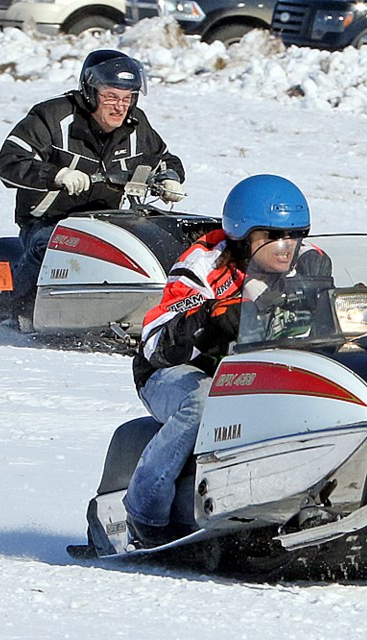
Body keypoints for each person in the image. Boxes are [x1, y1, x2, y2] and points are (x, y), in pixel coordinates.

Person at [123, 174, 330, 547]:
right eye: (272, 236)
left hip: (253, 371)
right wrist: (207, 323)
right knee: (203, 403)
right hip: (176, 373)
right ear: (243, 235)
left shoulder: (312, 261)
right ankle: (145, 514)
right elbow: (154, 343)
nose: (286, 247)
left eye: (294, 234)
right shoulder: (202, 266)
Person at [0, 49, 186, 323]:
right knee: (45, 245)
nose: (119, 106)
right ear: (90, 91)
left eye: (128, 97)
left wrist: (169, 178)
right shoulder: (52, 117)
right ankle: (8, 315)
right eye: (110, 96)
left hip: (105, 221)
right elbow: (10, 161)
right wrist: (56, 175)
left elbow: (164, 158)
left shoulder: (135, 125)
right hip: (49, 221)